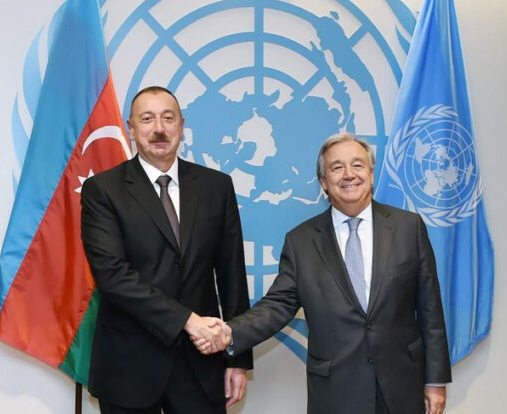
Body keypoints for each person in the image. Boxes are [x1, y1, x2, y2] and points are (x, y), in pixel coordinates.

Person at [193, 132, 451, 414]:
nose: (349, 174)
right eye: (337, 167)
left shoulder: (409, 228)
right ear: (324, 182)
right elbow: (276, 306)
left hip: (402, 385)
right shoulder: (301, 242)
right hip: (336, 392)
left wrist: (435, 381)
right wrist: (230, 333)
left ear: (371, 174)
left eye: (358, 165)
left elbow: (431, 311)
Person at [80, 86, 253, 414]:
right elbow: (113, 276)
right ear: (131, 129)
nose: (159, 128)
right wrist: (188, 321)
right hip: (128, 367)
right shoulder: (102, 190)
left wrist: (237, 358)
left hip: (201, 366)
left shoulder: (216, 186)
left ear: (181, 126)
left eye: (168, 118)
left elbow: (232, 277)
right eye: (147, 119)